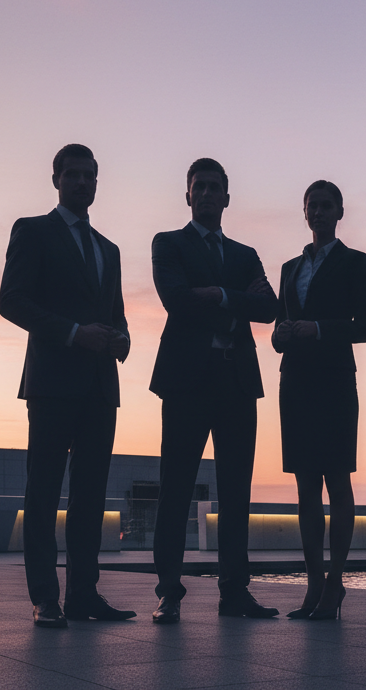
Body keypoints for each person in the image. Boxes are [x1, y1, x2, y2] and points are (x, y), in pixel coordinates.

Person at [0, 143, 134, 628]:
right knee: (43, 492)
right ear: (56, 179)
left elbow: (115, 313)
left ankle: (82, 595)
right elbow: (11, 301)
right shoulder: (32, 231)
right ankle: (44, 598)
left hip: (100, 386)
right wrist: (76, 334)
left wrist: (121, 339)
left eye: (89, 175)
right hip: (53, 383)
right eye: (72, 174)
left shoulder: (109, 250)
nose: (81, 182)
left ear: (97, 183)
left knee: (91, 497)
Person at [149, 158, 279, 624]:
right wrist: (236, 301)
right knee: (176, 487)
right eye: (198, 186)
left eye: (214, 187)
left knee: (236, 490)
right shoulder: (168, 244)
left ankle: (234, 593)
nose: (206, 193)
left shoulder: (245, 254)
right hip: (186, 382)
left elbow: (269, 308)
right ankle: (168, 592)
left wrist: (219, 296)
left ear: (227, 197)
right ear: (187, 195)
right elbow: (176, 301)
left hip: (237, 381)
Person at [272, 180, 366, 620]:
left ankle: (335, 582)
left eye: (325, 205)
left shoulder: (355, 262)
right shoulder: (289, 268)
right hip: (295, 381)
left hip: (334, 383)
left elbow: (365, 326)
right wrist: (281, 334)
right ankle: (314, 585)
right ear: (305, 212)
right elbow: (280, 326)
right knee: (304, 487)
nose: (318, 212)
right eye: (311, 205)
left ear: (339, 212)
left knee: (337, 480)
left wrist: (316, 329)